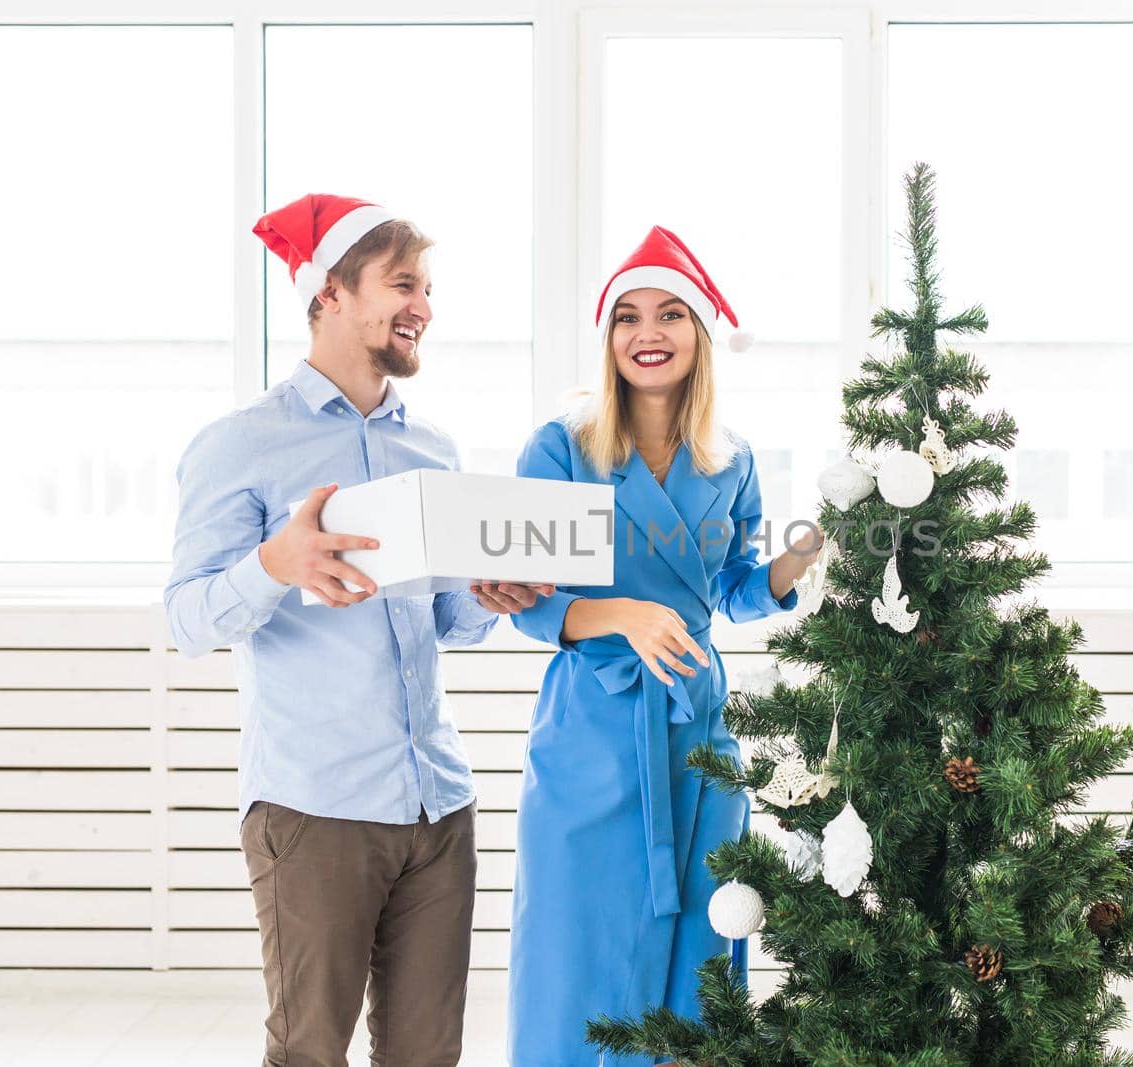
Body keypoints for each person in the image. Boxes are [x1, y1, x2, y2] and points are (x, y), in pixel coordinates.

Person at [164, 193, 550, 1067]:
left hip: (435, 802)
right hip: (314, 807)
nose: (423, 307)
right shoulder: (242, 445)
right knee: (310, 1051)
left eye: (428, 289)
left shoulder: (435, 452)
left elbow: (443, 618)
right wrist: (275, 563)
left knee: (426, 1055)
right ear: (330, 293)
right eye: (403, 284)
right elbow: (187, 617)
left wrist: (491, 596)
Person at [504, 226, 823, 1066]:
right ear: (608, 338)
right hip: (594, 729)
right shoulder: (560, 448)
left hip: (698, 731)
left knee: (705, 927)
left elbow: (736, 588)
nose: (649, 333)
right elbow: (528, 606)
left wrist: (796, 558)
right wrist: (620, 617)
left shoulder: (734, 460)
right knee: (581, 935)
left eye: (671, 314)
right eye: (629, 317)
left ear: (700, 335)